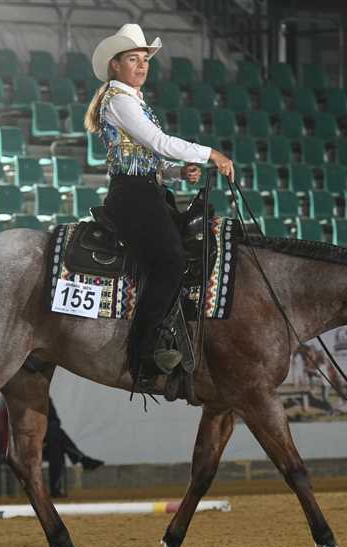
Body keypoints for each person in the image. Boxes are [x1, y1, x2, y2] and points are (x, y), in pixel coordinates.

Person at [84, 24, 235, 389]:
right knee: (171, 260)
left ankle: (174, 334)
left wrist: (177, 172)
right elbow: (159, 142)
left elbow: (146, 157)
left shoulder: (132, 101)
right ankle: (144, 352)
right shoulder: (120, 100)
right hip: (132, 197)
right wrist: (210, 153)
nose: (141, 66)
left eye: (144, 60)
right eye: (133, 59)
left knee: (184, 253)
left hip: (145, 192)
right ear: (115, 64)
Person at [0, 397, 103, 498]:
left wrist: (43, 435)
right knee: (57, 438)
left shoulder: (44, 398)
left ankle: (78, 460)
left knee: (55, 437)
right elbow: (17, 428)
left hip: (43, 444)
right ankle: (78, 462)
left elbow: (55, 421)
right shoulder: (13, 400)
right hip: (21, 447)